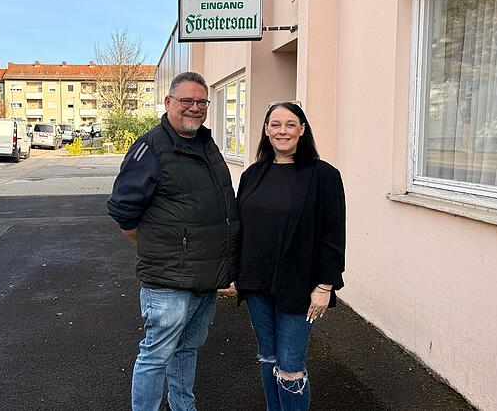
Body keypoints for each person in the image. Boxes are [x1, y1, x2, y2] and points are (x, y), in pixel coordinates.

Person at [106, 71, 239, 411]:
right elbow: (123, 209)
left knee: (186, 351)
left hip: (204, 280)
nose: (194, 108)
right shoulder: (151, 147)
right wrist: (155, 246)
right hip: (168, 281)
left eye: (201, 102)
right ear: (168, 103)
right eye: (186, 101)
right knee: (156, 355)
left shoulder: (206, 144)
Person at [235, 101, 346, 410]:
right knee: (268, 358)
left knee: (290, 369)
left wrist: (326, 285)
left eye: (289, 124)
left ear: (302, 129)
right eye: (275, 124)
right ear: (266, 130)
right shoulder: (252, 175)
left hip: (300, 285)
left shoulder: (323, 176)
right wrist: (232, 273)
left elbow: (334, 235)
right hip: (256, 283)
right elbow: (240, 228)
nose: (282, 130)